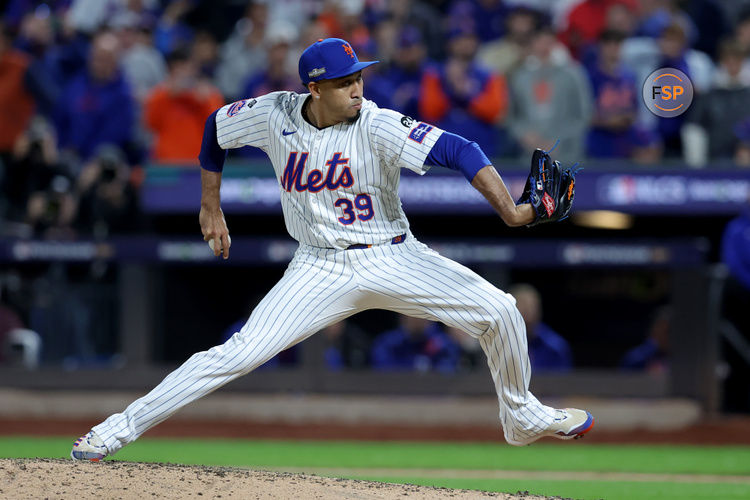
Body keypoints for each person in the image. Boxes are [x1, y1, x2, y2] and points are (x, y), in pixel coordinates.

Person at [71, 37, 594, 461]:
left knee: (502, 310)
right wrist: (212, 204)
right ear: (314, 89)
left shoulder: (378, 123)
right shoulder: (274, 113)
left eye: (360, 77)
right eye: (345, 82)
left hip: (393, 256)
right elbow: (215, 128)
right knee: (234, 355)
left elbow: (460, 149)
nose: (358, 90)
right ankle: (116, 430)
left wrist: (511, 209)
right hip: (318, 265)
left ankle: (521, 417)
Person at [509, 284, 572, 373]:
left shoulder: (556, 347)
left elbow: (565, 383)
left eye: (532, 306)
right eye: (522, 305)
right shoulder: (498, 343)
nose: (528, 311)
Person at [371, 316, 461, 372]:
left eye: (420, 314)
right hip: (394, 395)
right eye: (412, 314)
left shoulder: (442, 343)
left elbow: (448, 373)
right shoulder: (388, 342)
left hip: (433, 396)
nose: (416, 319)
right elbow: (381, 371)